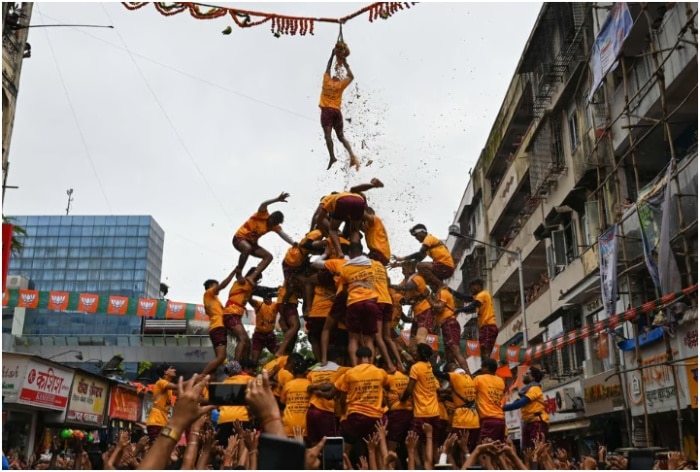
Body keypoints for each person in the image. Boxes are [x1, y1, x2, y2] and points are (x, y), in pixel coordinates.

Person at [313, 242, 379, 366]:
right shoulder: (371, 264)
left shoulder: (342, 263)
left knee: (329, 328)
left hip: (347, 298)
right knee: (367, 337)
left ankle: (324, 360)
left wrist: (325, 254)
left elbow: (316, 264)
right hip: (369, 300)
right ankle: (370, 365)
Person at [318, 346, 389, 456]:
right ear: (371, 358)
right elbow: (387, 388)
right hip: (376, 418)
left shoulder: (349, 373)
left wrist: (320, 393)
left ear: (357, 358)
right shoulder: (380, 373)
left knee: (345, 451)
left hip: (355, 417)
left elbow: (333, 396)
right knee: (377, 451)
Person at [232, 192, 296, 284]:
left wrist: (293, 243)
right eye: (272, 221)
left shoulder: (274, 226)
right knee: (247, 248)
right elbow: (263, 204)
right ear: (270, 217)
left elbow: (283, 235)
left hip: (252, 244)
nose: (271, 224)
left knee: (268, 257)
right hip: (239, 238)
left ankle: (252, 277)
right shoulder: (262, 214)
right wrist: (277, 199)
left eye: (274, 224)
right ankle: (238, 273)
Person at [319, 47, 359, 170]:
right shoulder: (339, 84)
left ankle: (333, 157)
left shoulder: (327, 81)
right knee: (340, 137)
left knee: (328, 135)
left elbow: (328, 66)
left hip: (328, 111)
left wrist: (332, 55)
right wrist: (345, 63)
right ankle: (352, 155)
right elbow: (351, 77)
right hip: (336, 112)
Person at [200, 268, 237, 377]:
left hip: (218, 328)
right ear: (211, 287)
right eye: (216, 286)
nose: (218, 289)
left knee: (219, 359)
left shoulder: (214, 300)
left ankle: (210, 379)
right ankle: (201, 376)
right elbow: (223, 285)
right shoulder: (208, 294)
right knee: (221, 357)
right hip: (218, 327)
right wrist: (233, 273)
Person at [394, 224, 455, 288]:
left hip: (446, 267)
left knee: (420, 266)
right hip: (441, 269)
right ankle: (437, 290)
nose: (416, 238)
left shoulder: (429, 238)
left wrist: (403, 258)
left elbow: (420, 255)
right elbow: (416, 260)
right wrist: (399, 264)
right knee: (418, 276)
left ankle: (441, 286)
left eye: (416, 235)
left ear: (422, 232)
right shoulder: (429, 247)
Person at [503, 365, 548, 452]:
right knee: (526, 451)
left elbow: (520, 403)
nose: (524, 375)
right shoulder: (527, 390)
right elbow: (516, 403)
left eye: (527, 374)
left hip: (537, 422)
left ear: (533, 377)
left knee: (536, 451)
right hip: (528, 422)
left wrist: (501, 408)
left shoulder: (535, 388)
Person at [401, 343, 440, 443]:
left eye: (416, 351)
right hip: (435, 412)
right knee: (430, 442)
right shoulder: (429, 366)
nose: (414, 353)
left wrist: (402, 398)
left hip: (422, 413)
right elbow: (437, 388)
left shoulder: (416, 368)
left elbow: (409, 389)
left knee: (411, 442)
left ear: (419, 354)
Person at [429, 282, 469, 373]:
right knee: (449, 356)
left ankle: (468, 375)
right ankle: (455, 376)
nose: (431, 287)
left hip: (449, 323)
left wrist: (428, 299)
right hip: (446, 324)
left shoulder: (442, 292)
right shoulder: (442, 293)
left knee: (455, 350)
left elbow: (439, 308)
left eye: (431, 284)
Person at [454, 278, 499, 360]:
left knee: (485, 351)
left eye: (472, 287)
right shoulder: (479, 296)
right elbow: (465, 297)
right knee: (484, 351)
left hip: (488, 327)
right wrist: (452, 292)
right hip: (486, 327)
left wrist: (459, 310)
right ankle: (486, 368)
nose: (471, 289)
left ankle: (487, 369)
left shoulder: (482, 295)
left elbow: (472, 306)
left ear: (478, 286)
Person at [222, 268, 259, 360]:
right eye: (256, 279)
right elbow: (238, 274)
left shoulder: (250, 287)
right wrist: (238, 269)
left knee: (248, 343)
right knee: (242, 339)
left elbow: (262, 291)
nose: (257, 282)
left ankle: (245, 366)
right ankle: (235, 366)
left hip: (236, 316)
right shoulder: (242, 281)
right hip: (230, 313)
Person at [215, 360, 255, 446]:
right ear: (240, 370)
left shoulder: (223, 384)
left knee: (224, 447)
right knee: (243, 446)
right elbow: (261, 382)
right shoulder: (247, 379)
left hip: (223, 419)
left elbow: (218, 406)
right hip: (241, 418)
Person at [473, 358, 506, 443]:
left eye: (482, 367)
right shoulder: (501, 381)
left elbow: (469, 394)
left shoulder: (479, 379)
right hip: (501, 420)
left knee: (484, 449)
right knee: (498, 449)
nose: (480, 369)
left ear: (487, 367)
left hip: (488, 420)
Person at [280, 357, 312, 439]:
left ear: (292, 372)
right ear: (306, 372)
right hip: (307, 425)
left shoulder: (288, 385)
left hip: (290, 425)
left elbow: (282, 402)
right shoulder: (310, 384)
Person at [146, 364, 178, 443]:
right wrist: (193, 380)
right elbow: (177, 386)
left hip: (164, 423)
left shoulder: (170, 389)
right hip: (155, 422)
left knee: (166, 446)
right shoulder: (161, 382)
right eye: (171, 368)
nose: (174, 370)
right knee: (155, 448)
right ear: (165, 372)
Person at [248, 293, 279, 364]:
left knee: (278, 355)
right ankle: (252, 370)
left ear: (271, 298)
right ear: (263, 299)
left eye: (269, 298)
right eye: (265, 298)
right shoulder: (259, 304)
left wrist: (278, 294)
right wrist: (253, 290)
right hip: (258, 335)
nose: (267, 300)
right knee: (254, 360)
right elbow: (249, 299)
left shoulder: (275, 305)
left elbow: (283, 301)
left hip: (270, 335)